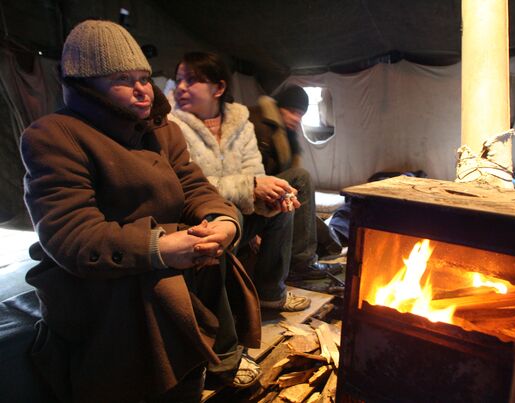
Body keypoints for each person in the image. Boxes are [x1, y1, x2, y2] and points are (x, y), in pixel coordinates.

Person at [20, 20, 261, 403]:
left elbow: (196, 187)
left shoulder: (163, 130)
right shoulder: (54, 135)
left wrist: (223, 221)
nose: (142, 90)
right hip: (97, 279)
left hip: (170, 257)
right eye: (122, 79)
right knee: (165, 287)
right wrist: (159, 247)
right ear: (88, 86)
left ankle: (216, 362)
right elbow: (71, 235)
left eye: (144, 78)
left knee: (218, 248)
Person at [167, 51, 311, 312]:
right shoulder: (171, 125)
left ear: (218, 88)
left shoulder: (239, 123)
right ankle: (223, 309)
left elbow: (253, 170)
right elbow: (187, 184)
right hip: (198, 215)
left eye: (191, 80)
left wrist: (270, 193)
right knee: (231, 211)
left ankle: (271, 292)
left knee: (282, 204)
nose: (181, 88)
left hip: (239, 208)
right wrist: (251, 187)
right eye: (178, 80)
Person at [247, 85, 343, 281]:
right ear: (279, 107)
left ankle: (309, 256)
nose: (296, 118)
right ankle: (302, 263)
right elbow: (250, 174)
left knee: (321, 231)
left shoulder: (285, 132)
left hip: (273, 191)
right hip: (255, 191)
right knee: (302, 177)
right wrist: (252, 233)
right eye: (292, 111)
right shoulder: (259, 124)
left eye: (300, 114)